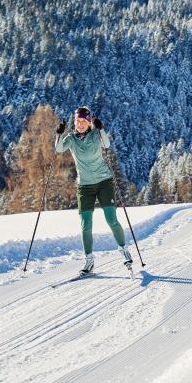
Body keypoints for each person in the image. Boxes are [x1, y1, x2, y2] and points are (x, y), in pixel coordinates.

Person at [55, 106, 133, 275]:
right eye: (78, 121)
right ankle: (89, 261)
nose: (80, 124)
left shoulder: (94, 134)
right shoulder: (71, 139)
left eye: (84, 121)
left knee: (111, 220)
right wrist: (59, 134)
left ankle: (124, 250)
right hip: (84, 186)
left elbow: (107, 143)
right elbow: (59, 149)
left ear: (89, 122)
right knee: (85, 225)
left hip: (104, 181)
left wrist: (101, 128)